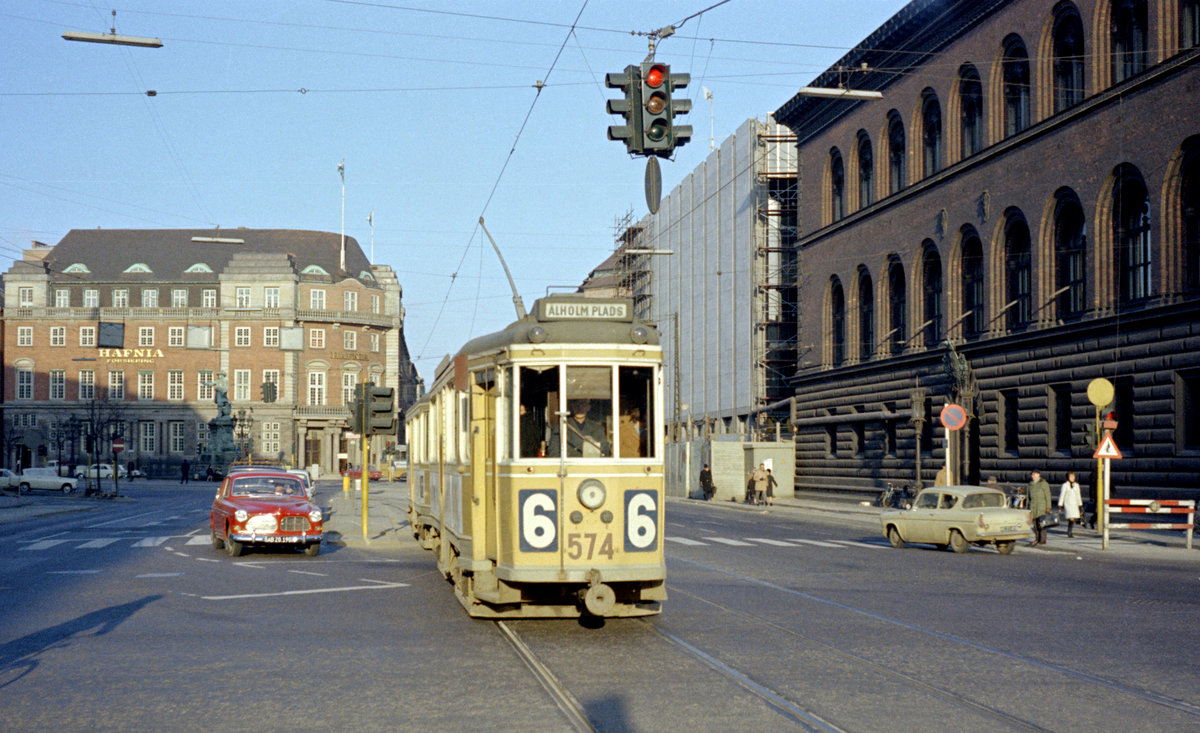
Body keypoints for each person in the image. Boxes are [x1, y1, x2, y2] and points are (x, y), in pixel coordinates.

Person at [1027, 470, 1052, 546]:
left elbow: (1048, 496)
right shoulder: (1030, 485)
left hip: (1042, 507)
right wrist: (1028, 508)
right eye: (1032, 475)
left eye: (1034, 474)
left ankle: (1043, 539)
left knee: (1042, 524)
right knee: (1035, 524)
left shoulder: (1044, 484)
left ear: (1039, 475)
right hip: (1033, 507)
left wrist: (1048, 507)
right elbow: (1028, 497)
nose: (1033, 476)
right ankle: (1037, 538)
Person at [1058, 471, 1083, 537]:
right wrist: (1060, 505)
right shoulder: (1065, 485)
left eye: (1073, 476)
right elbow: (1062, 495)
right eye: (1071, 476)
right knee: (1071, 517)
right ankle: (1069, 531)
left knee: (1073, 517)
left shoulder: (1076, 485)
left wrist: (1080, 504)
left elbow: (1078, 495)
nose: (1072, 478)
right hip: (1068, 504)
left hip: (1075, 504)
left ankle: (1070, 529)